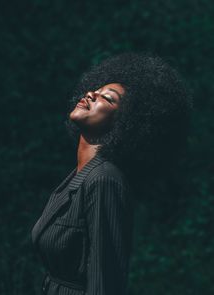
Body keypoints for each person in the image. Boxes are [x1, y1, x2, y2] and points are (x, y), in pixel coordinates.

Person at [31, 52, 193, 295]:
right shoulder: (78, 176)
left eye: (107, 98)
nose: (91, 94)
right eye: (94, 89)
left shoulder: (104, 180)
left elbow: (106, 282)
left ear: (127, 123)